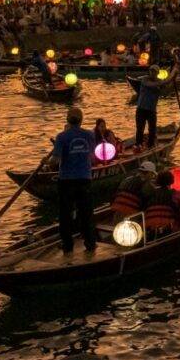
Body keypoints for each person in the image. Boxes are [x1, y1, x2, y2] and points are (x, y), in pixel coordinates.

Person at [51, 107, 98, 254]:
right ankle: (90, 244)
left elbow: (56, 160)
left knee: (65, 215)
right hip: (84, 179)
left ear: (67, 120)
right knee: (86, 213)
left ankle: (68, 246)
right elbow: (92, 156)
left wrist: (47, 161)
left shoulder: (61, 137)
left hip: (66, 180)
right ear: (81, 120)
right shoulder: (89, 135)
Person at [144, 168, 180, 236]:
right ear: (172, 181)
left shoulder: (150, 194)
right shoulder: (177, 194)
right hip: (169, 229)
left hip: (149, 228)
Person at [135, 67, 164, 148]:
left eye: (154, 72)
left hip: (151, 110)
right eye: (151, 71)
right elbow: (151, 85)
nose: (152, 73)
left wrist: (170, 79)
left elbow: (165, 87)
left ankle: (150, 145)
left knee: (152, 130)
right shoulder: (145, 80)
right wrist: (164, 82)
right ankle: (138, 145)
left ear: (157, 73)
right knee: (140, 128)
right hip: (141, 109)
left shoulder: (159, 82)